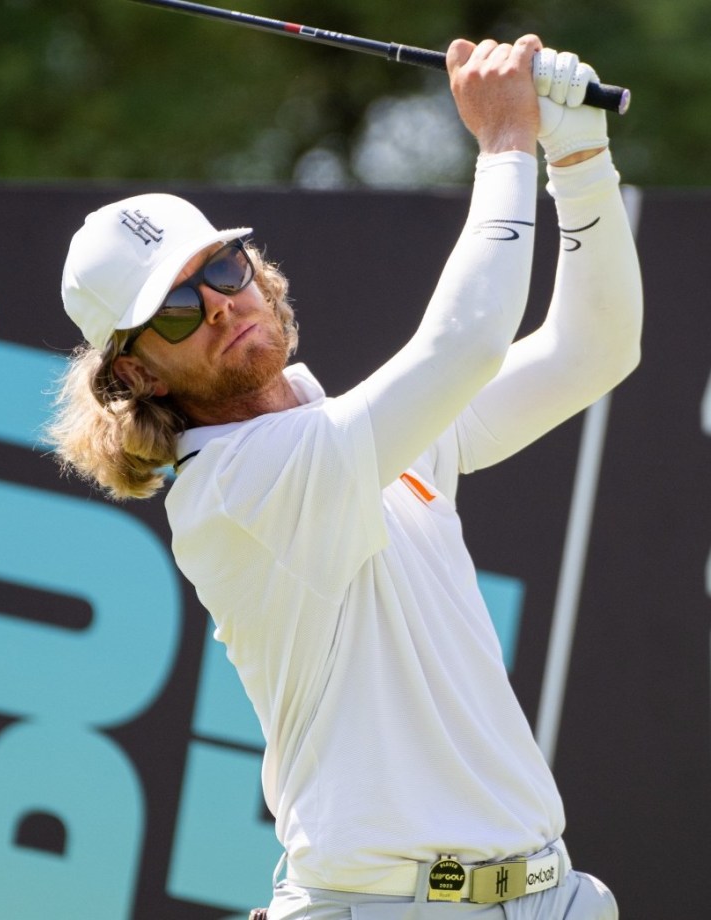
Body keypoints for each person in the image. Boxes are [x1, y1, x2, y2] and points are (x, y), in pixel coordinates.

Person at [47, 34, 642, 920]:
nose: (219, 304)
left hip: (551, 895)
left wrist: (581, 159)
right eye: (174, 309)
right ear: (137, 375)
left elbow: (594, 350)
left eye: (221, 268)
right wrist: (507, 142)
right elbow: (466, 343)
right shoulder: (234, 490)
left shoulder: (349, 434)